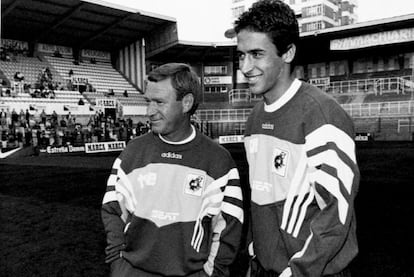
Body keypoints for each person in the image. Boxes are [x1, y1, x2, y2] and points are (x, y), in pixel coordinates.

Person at [229, 0, 360, 276]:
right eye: (241, 55)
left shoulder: (322, 115)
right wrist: (254, 254)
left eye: (256, 54)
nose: (245, 66)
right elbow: (261, 198)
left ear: (287, 53)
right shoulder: (254, 119)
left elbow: (335, 214)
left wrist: (298, 271)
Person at [101, 63, 244, 277]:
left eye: (159, 102)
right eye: (148, 101)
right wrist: (117, 264)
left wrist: (210, 274)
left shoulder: (218, 160)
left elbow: (228, 227)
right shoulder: (133, 151)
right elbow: (112, 208)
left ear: (186, 103)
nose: (149, 112)